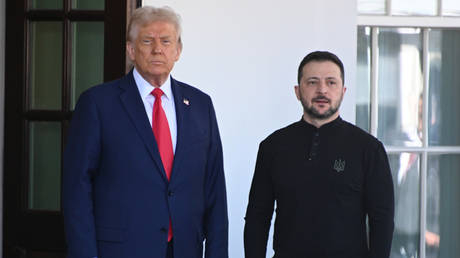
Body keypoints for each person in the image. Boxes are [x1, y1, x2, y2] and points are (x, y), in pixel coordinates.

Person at [63, 6, 228, 258]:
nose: (157, 49)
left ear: (178, 51)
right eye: (148, 41)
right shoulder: (97, 104)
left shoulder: (200, 105)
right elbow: (77, 191)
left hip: (185, 249)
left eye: (166, 41)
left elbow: (215, 188)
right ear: (131, 50)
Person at [244, 51, 394, 258]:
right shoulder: (273, 147)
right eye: (312, 82)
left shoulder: (368, 149)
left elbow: (382, 220)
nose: (322, 90)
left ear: (343, 91)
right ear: (297, 91)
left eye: (331, 82)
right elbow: (257, 217)